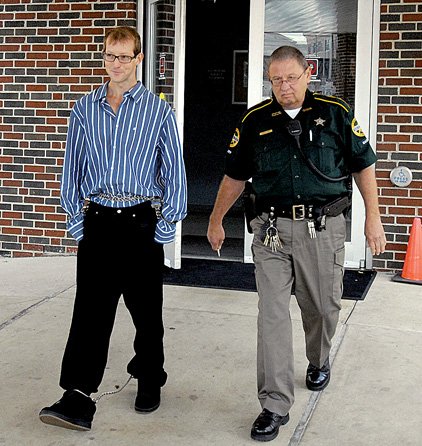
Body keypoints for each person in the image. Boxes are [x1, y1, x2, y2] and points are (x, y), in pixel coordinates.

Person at [207, 45, 386, 442]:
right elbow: (235, 175)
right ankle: (274, 404)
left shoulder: (334, 113)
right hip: (270, 232)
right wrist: (216, 219)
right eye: (276, 80)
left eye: (291, 78)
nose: (284, 87)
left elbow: (363, 164)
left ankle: (318, 359)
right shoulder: (255, 121)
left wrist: (373, 215)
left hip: (322, 230)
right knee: (271, 315)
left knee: (322, 307)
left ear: (309, 72)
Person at [39, 26, 187, 431]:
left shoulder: (158, 110)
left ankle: (150, 377)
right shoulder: (84, 108)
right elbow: (72, 165)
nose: (117, 64)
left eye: (125, 56)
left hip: (140, 221)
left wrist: (166, 223)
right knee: (90, 312)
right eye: (110, 56)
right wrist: (75, 220)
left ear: (139, 59)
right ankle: (77, 395)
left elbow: (173, 169)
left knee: (146, 310)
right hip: (99, 221)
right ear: (103, 59)